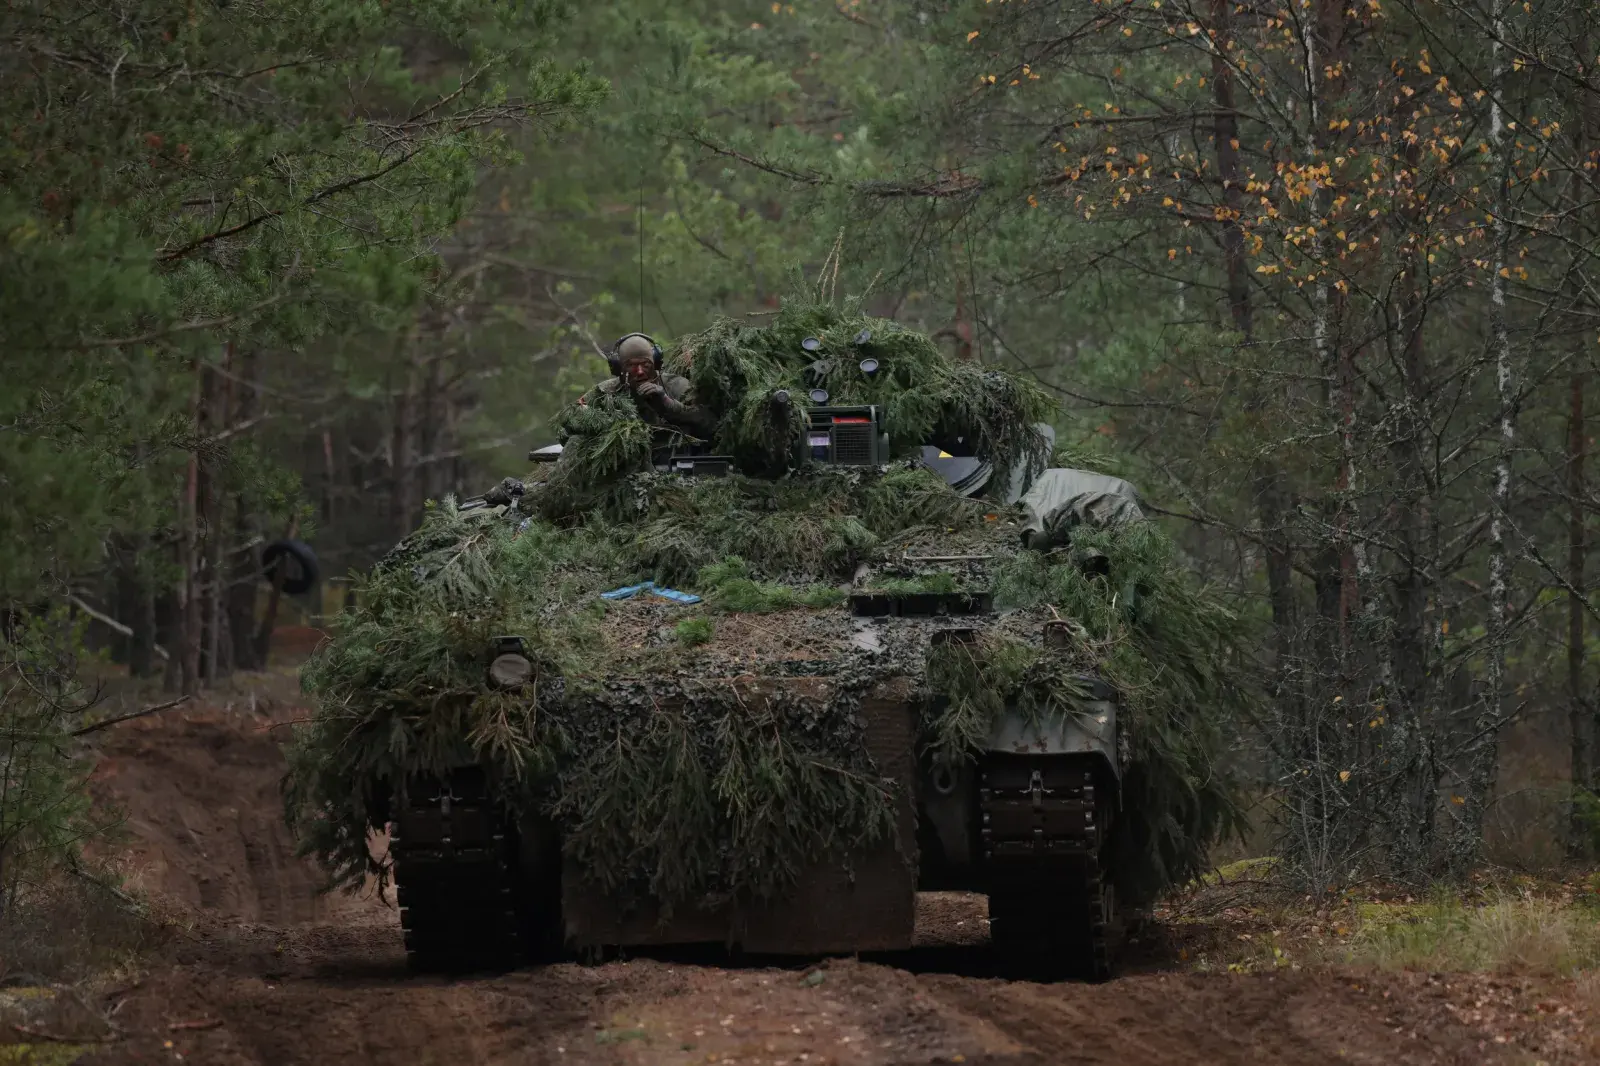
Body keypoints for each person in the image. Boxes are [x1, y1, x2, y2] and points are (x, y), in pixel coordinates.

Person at [580, 333, 716, 438]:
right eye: (631, 365)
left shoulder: (677, 386)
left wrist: (668, 405)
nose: (639, 372)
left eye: (646, 365)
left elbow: (711, 425)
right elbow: (569, 423)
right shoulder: (605, 391)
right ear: (618, 369)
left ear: (655, 364)